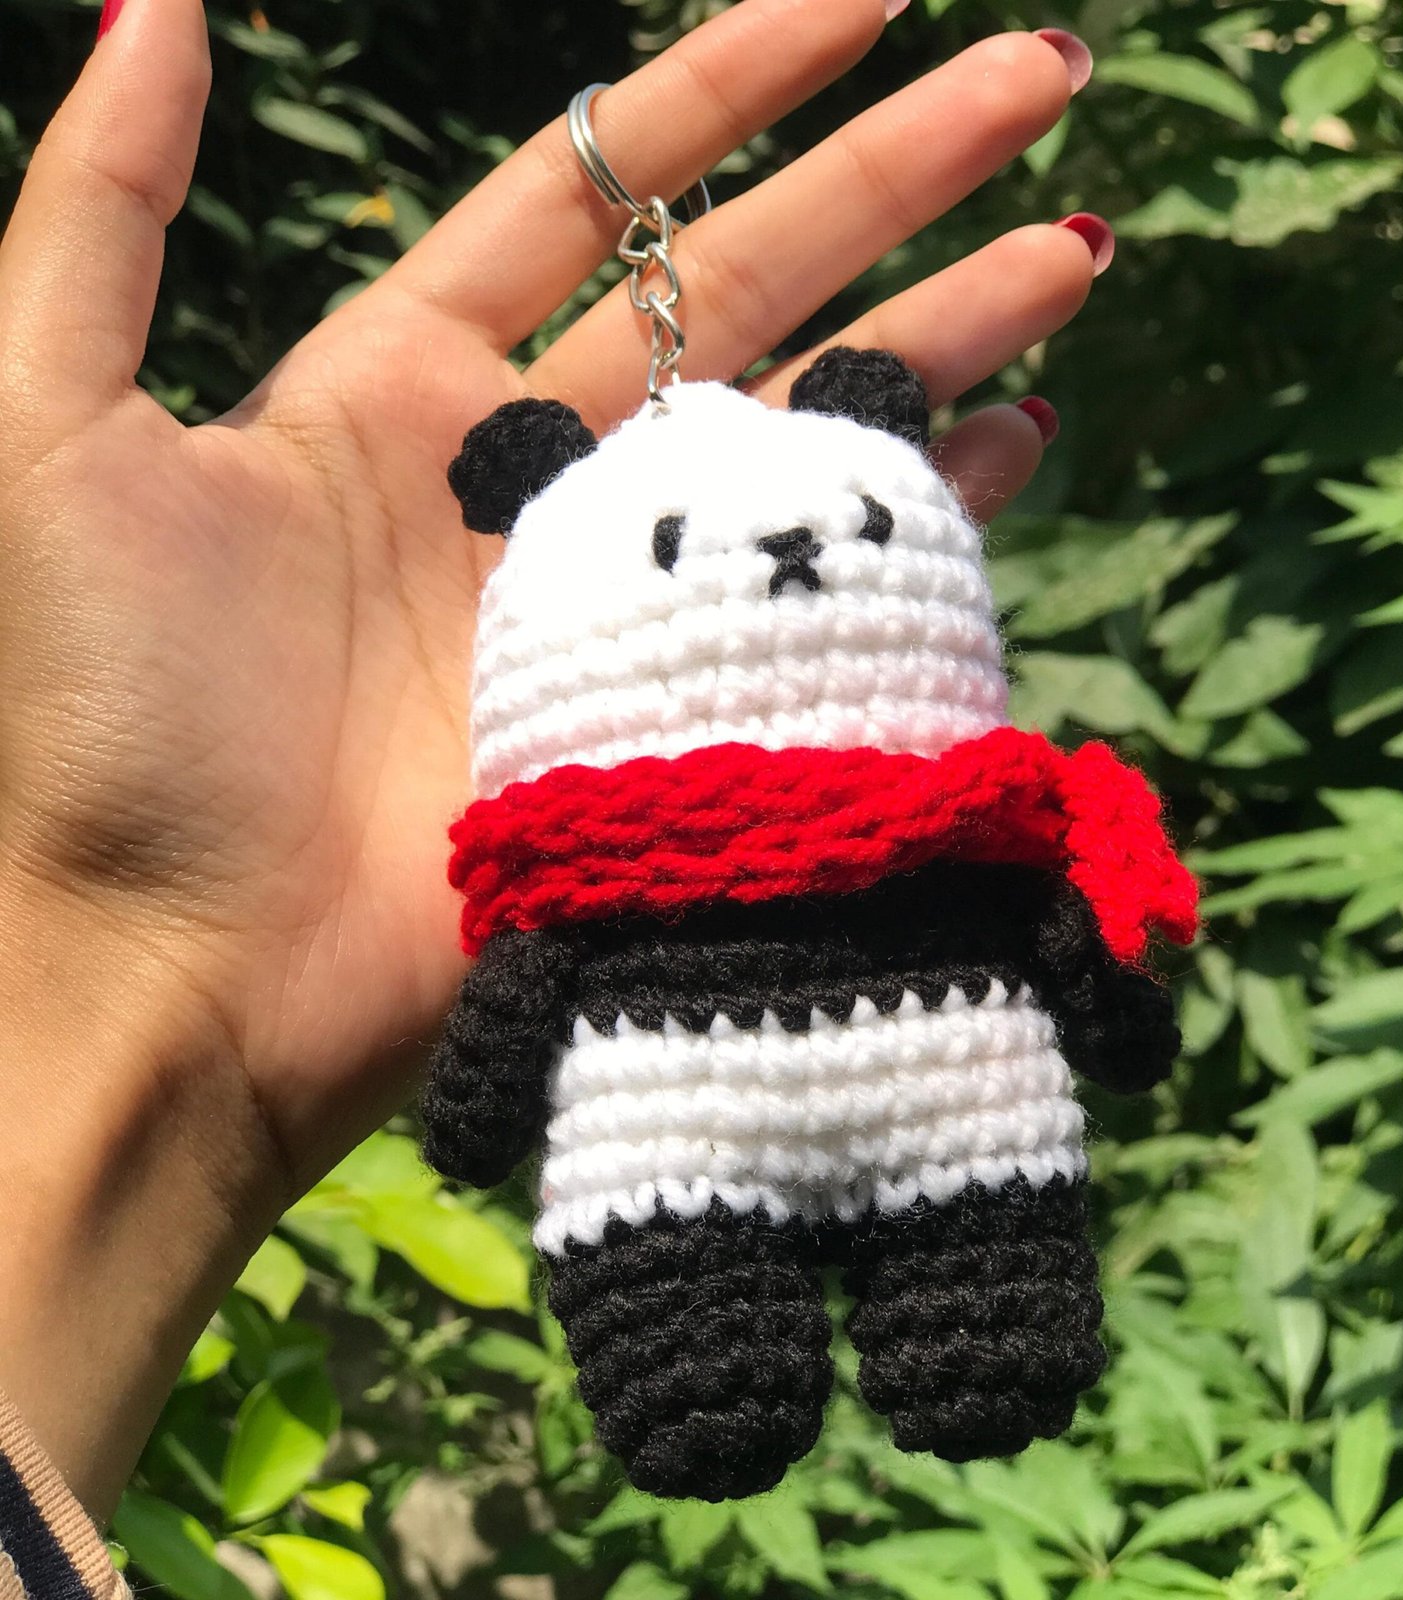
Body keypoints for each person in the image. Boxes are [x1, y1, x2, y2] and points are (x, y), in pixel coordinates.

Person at [0, 0, 1109, 1585]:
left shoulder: (954, 828)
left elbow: (504, 1052)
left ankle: (918, 1310)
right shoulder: (600, 858)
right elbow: (1061, 945)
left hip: (814, 1086)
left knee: (963, 1305)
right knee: (704, 1347)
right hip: (810, 1089)